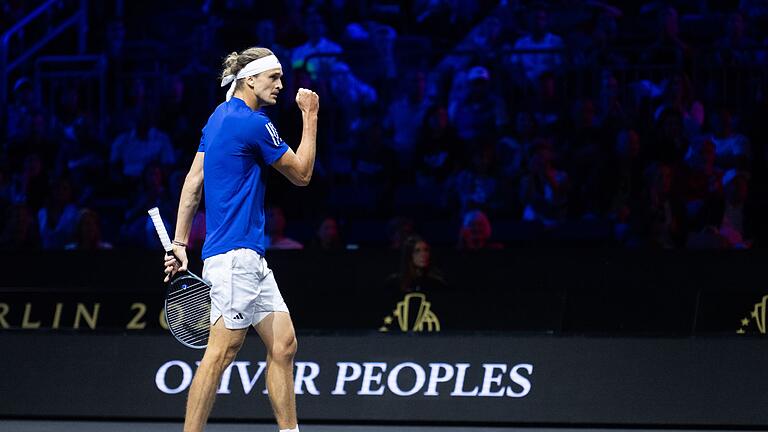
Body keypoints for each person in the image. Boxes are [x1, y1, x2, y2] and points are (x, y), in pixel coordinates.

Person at [163, 47, 318, 432]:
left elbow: (192, 183)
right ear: (251, 80)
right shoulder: (254, 122)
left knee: (283, 344)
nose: (281, 85)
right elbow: (301, 175)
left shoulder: (216, 119)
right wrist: (310, 117)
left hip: (247, 259)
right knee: (220, 354)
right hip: (236, 260)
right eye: (274, 78)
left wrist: (180, 243)